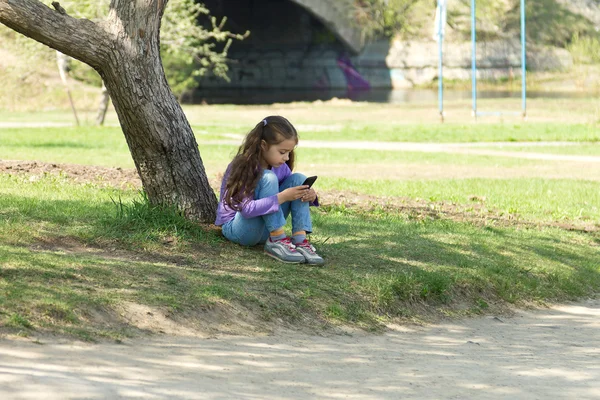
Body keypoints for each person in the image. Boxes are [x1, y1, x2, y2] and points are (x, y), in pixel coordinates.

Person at [214, 116, 324, 265]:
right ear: (263, 145)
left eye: (289, 153)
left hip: (265, 230)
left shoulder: (281, 167)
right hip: (239, 230)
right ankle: (277, 239)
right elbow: (246, 210)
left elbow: (289, 195)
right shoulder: (244, 167)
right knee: (268, 177)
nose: (286, 157)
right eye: (282, 152)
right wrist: (282, 197)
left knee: (299, 179)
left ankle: (300, 240)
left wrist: (309, 195)